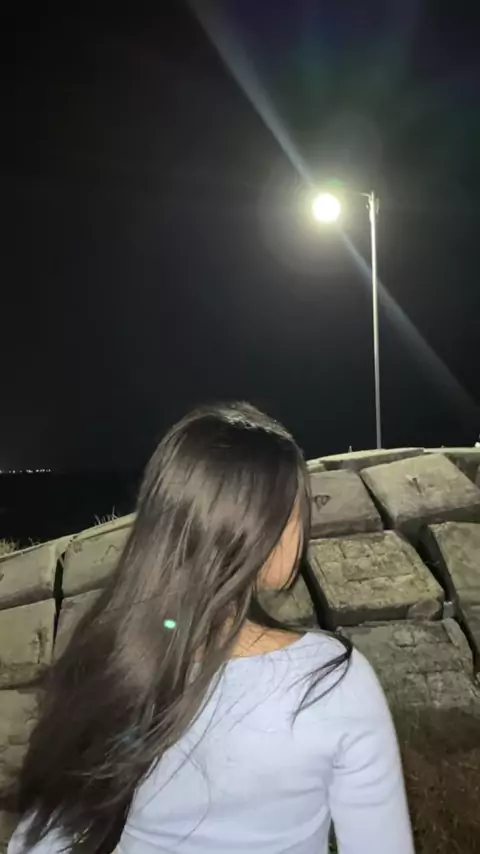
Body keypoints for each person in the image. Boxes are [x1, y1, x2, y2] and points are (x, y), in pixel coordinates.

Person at [9, 402, 415, 854]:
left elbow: (41, 839)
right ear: (258, 528)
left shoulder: (106, 663)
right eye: (299, 509)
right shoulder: (331, 682)